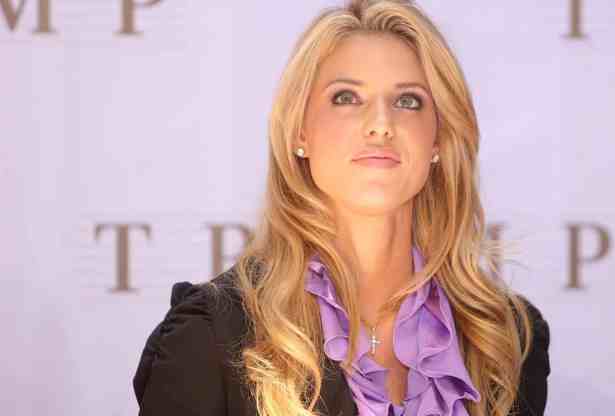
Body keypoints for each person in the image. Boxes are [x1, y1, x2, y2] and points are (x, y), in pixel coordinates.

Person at [132, 1, 551, 415]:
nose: (381, 124)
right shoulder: (211, 335)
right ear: (300, 132)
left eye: (408, 101)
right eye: (346, 97)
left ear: (438, 139)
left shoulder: (504, 340)